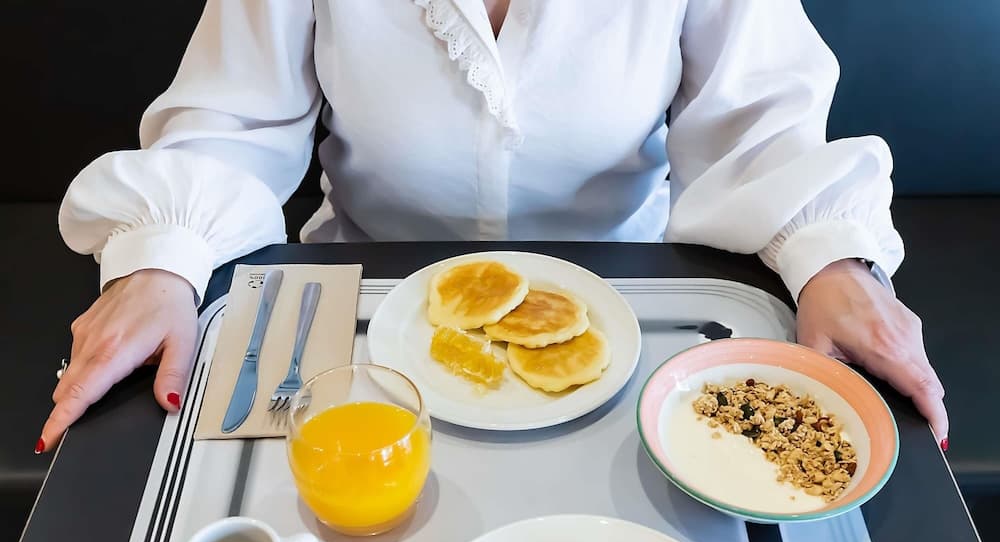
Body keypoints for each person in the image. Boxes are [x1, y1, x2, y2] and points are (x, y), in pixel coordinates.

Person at [38, 0, 947, 453]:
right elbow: (233, 123)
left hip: (635, 325)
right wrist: (162, 260)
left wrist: (832, 260)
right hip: (362, 326)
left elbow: (759, 123)